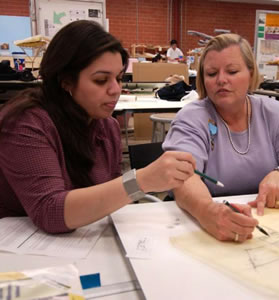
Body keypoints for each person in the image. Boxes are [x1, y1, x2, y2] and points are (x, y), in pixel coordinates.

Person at [0, 20, 196, 234]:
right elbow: (50, 210)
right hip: (22, 252)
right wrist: (141, 180)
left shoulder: (107, 127)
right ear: (65, 80)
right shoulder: (25, 123)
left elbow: (111, 199)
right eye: (101, 80)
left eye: (119, 78)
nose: (115, 90)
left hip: (86, 242)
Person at [163, 33, 279, 243]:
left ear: (251, 75)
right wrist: (207, 212)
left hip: (267, 223)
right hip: (204, 225)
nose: (221, 80)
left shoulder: (275, 113)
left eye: (232, 71)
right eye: (212, 73)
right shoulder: (192, 118)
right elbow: (183, 178)